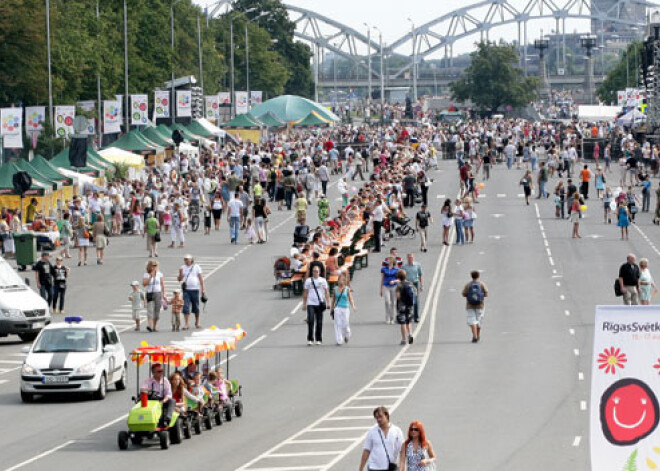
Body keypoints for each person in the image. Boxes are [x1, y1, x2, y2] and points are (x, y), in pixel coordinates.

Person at [359, 406, 404, 471]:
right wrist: (361, 468)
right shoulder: (371, 432)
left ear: (386, 415)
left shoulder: (397, 431)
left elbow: (402, 450)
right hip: (374, 467)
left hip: (391, 467)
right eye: (376, 418)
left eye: (380, 416)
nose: (378, 419)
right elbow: (366, 451)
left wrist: (402, 466)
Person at [302, 265, 330, 346]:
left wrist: (328, 302)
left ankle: (318, 338)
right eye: (314, 271)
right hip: (310, 303)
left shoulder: (323, 281)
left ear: (319, 272)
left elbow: (327, 292)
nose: (315, 273)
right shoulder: (308, 281)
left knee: (319, 322)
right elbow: (305, 292)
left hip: (319, 303)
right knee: (310, 321)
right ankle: (310, 338)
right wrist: (304, 303)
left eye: (317, 271)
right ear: (312, 272)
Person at [178, 254, 206, 330]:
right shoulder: (182, 268)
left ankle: (197, 322)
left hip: (195, 289)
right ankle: (186, 324)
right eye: (185, 259)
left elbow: (201, 279)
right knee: (186, 306)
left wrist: (203, 289)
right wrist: (180, 273)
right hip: (186, 290)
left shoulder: (196, 267)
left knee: (196, 306)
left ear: (191, 260)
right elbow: (179, 279)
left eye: (188, 259)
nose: (186, 261)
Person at [462, 270, 488, 343]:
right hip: (480, 305)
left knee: (472, 321)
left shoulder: (468, 285)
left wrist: (470, 296)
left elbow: (463, 294)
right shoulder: (482, 284)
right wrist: (480, 296)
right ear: (478, 276)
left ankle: (475, 336)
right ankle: (478, 335)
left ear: (471, 276)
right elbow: (486, 294)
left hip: (470, 305)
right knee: (478, 321)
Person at [332, 272, 355, 345]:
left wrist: (353, 306)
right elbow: (333, 300)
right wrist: (332, 308)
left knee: (345, 324)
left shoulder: (347, 289)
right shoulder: (335, 289)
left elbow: (350, 298)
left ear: (344, 281)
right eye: (339, 280)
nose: (340, 282)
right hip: (337, 308)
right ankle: (339, 340)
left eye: (342, 280)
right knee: (337, 324)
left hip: (345, 308)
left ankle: (347, 335)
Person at [143, 260, 165, 332]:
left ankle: (154, 326)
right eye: (153, 265)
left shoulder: (160, 274)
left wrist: (164, 294)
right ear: (150, 266)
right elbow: (144, 284)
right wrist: (150, 277)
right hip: (150, 293)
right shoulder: (146, 274)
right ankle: (150, 326)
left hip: (158, 293)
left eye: (155, 265)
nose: (154, 267)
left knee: (157, 310)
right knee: (150, 310)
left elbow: (162, 284)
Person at [402, 253, 423, 323]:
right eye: (409, 257)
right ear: (407, 258)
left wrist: (421, 285)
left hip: (415, 283)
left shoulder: (417, 265)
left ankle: (416, 316)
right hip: (407, 284)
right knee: (407, 301)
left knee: (416, 301)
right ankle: (407, 316)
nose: (410, 259)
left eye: (411, 257)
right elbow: (402, 276)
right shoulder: (404, 267)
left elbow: (420, 275)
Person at [396, 270, 415, 345]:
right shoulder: (409, 284)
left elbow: (398, 296)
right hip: (409, 305)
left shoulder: (399, 285)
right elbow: (414, 292)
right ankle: (410, 335)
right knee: (408, 321)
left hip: (402, 305)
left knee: (403, 322)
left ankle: (404, 339)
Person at [381, 256, 399, 325]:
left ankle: (392, 318)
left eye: (391, 260)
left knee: (393, 303)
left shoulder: (396, 269)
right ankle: (387, 317)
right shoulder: (383, 269)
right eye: (388, 260)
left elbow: (399, 279)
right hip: (386, 286)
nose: (389, 261)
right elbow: (382, 278)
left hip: (394, 287)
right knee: (387, 302)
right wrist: (381, 289)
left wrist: (394, 281)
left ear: (393, 261)